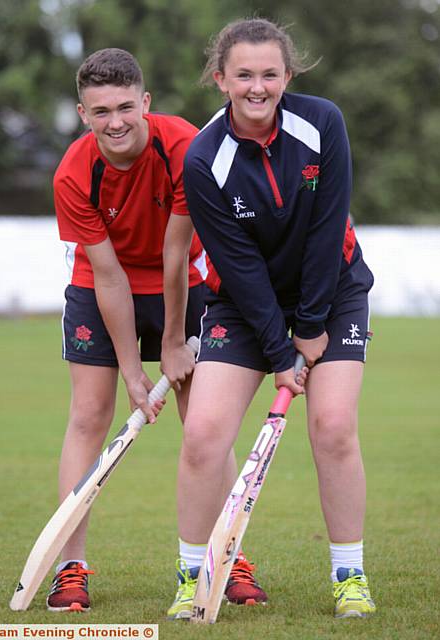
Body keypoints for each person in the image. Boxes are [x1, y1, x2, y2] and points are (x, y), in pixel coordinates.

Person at [167, 18, 376, 621]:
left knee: (333, 426)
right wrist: (279, 352)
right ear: (220, 79)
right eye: (243, 75)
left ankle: (350, 575)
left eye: (269, 74)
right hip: (242, 301)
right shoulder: (205, 157)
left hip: (333, 293)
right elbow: (237, 265)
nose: (257, 87)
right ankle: (192, 576)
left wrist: (309, 328)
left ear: (288, 75)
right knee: (204, 435)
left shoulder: (322, 123)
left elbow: (326, 227)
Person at [49, 47, 256, 613]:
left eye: (124, 107)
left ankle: (227, 557)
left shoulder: (184, 146)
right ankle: (69, 569)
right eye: (99, 112)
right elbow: (109, 276)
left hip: (182, 280)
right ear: (82, 113)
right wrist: (133, 371)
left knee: (205, 425)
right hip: (101, 285)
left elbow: (174, 254)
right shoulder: (73, 171)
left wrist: (169, 343)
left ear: (145, 102)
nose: (114, 122)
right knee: (90, 416)